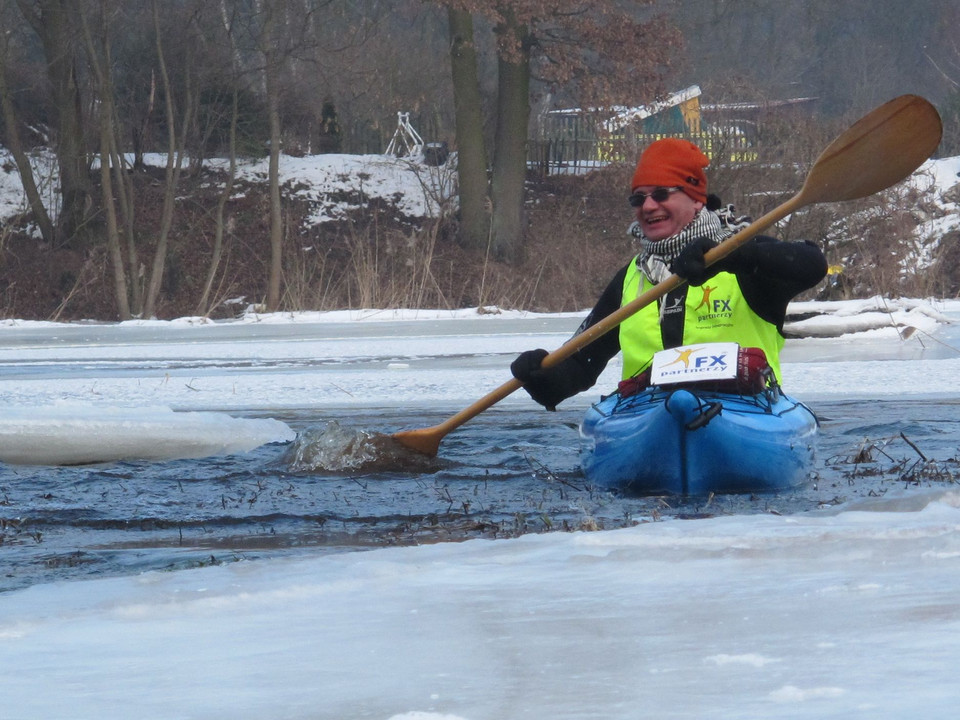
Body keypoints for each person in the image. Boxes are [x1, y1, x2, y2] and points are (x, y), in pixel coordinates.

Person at [511, 137, 828, 410]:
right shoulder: (629, 280)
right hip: (647, 415)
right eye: (639, 198)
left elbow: (812, 264)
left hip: (745, 410)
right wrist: (540, 376)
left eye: (661, 194)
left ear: (695, 200)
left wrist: (735, 256)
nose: (648, 206)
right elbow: (580, 366)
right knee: (675, 407)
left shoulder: (745, 258)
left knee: (685, 407)